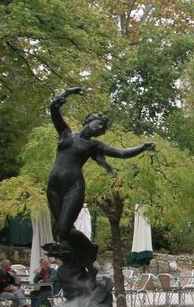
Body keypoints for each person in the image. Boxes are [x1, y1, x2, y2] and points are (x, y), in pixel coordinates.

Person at [47, 87, 155, 264]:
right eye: (99, 125)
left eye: (102, 129)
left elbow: (121, 153)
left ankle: (88, 248)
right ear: (89, 121)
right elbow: (53, 108)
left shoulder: (93, 146)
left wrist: (142, 147)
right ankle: (75, 256)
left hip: (73, 187)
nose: (100, 129)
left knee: (64, 229)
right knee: (62, 231)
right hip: (53, 187)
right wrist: (69, 92)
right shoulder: (66, 133)